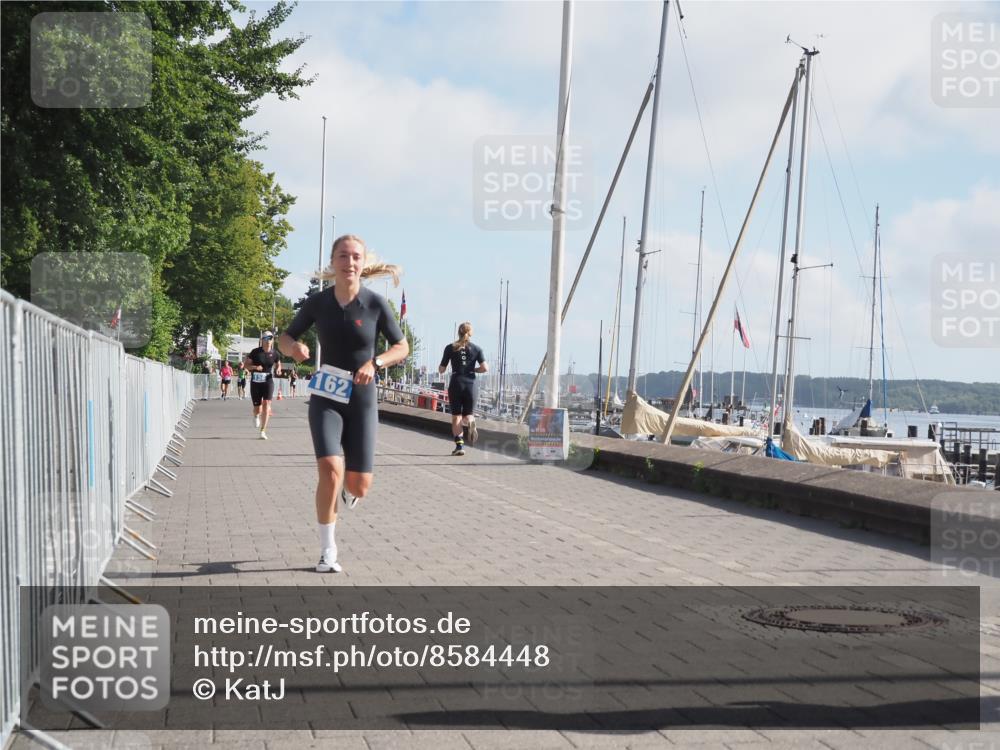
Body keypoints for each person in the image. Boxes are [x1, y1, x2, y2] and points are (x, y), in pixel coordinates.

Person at [278, 234, 408, 573]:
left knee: (358, 484)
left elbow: (402, 347)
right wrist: (294, 349)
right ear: (333, 262)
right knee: (330, 470)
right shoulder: (317, 303)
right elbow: (285, 338)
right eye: (343, 256)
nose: (349, 263)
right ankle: (327, 550)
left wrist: (375, 363)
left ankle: (351, 492)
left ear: (362, 264)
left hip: (362, 398)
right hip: (327, 396)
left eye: (355, 257)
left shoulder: (376, 304)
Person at [438, 322, 487, 456]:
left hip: (456, 382)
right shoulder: (477, 348)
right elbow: (485, 368)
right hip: (471, 383)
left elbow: (441, 369)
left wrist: (444, 367)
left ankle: (459, 446)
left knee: (456, 417)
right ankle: (471, 422)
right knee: (468, 414)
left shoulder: (450, 347)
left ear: (458, 332)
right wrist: (473, 369)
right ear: (470, 333)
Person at [244, 331, 282, 440]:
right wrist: (255, 368)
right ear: (262, 340)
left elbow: (278, 363)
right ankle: (256, 415)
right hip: (256, 382)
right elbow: (246, 365)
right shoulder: (255, 352)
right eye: (267, 338)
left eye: (271, 338)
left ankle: (263, 431)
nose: (269, 340)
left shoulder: (275, 353)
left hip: (268, 381)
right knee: (258, 409)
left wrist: (278, 369)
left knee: (266, 404)